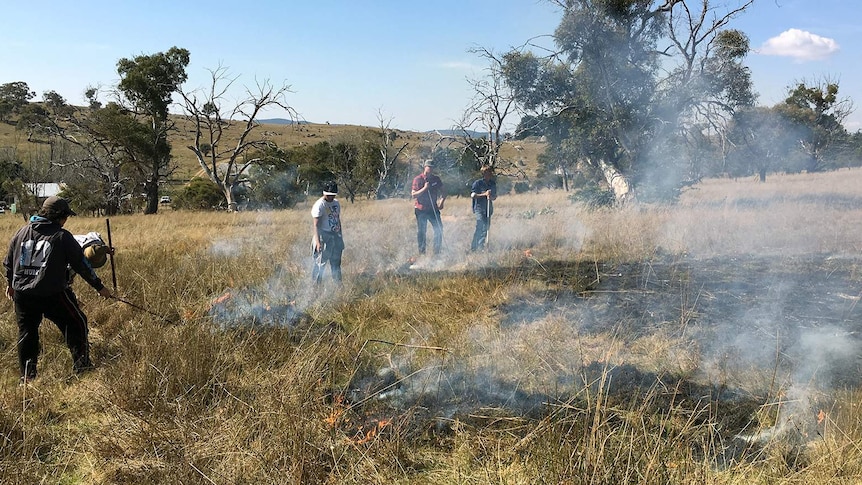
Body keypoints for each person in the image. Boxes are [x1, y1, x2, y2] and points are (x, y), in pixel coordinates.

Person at [4, 196, 112, 385]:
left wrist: (10, 284)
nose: (66, 221)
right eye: (66, 217)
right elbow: (81, 264)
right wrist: (99, 287)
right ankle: (82, 366)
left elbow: (9, 262)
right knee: (77, 322)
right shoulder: (61, 236)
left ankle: (27, 378)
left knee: (27, 333)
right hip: (51, 293)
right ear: (59, 217)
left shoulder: (21, 233)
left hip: (23, 294)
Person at [311, 180, 344, 284]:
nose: (331, 197)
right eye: (329, 195)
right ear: (324, 193)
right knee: (320, 263)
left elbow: (338, 220)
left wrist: (340, 237)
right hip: (323, 236)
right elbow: (316, 225)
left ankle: (338, 285)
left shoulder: (336, 203)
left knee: (336, 263)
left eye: (333, 195)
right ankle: (315, 285)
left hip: (335, 236)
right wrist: (318, 242)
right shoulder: (319, 205)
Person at [411, 160, 446, 256]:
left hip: (433, 209)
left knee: (439, 228)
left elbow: (444, 191)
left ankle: (437, 252)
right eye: (429, 166)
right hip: (421, 209)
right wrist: (424, 188)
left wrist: (441, 202)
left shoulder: (436, 179)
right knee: (422, 231)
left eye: (432, 167)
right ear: (425, 167)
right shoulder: (418, 179)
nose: (431, 169)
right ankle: (422, 253)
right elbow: (414, 195)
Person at [470, 165, 497, 252]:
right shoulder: (477, 183)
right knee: (481, 226)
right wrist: (484, 194)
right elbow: (473, 195)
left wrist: (491, 197)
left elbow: (495, 196)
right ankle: (476, 247)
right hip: (479, 208)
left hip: (488, 209)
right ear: (483, 173)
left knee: (486, 228)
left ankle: (479, 247)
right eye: (486, 173)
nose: (488, 174)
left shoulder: (492, 183)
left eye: (489, 173)